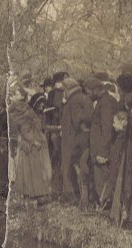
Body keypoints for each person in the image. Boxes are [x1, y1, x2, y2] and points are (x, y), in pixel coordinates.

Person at [7, 88, 52, 200]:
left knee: (40, 170)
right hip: (31, 146)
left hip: (39, 144)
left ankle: (40, 192)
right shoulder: (28, 114)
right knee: (33, 171)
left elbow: (41, 128)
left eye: (43, 105)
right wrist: (33, 141)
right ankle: (35, 194)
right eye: (39, 105)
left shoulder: (40, 114)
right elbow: (24, 130)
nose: (41, 107)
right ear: (35, 104)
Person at [60, 78, 93, 208]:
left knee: (70, 167)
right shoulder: (82, 98)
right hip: (77, 138)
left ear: (68, 89)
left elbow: (78, 120)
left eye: (64, 90)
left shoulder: (74, 101)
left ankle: (72, 196)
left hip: (72, 139)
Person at [87, 78, 119, 207]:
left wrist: (102, 152)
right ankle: (102, 202)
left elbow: (107, 129)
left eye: (89, 91)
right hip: (98, 148)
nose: (88, 95)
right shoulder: (103, 101)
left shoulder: (106, 103)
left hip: (102, 149)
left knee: (102, 177)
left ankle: (105, 204)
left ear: (96, 90)